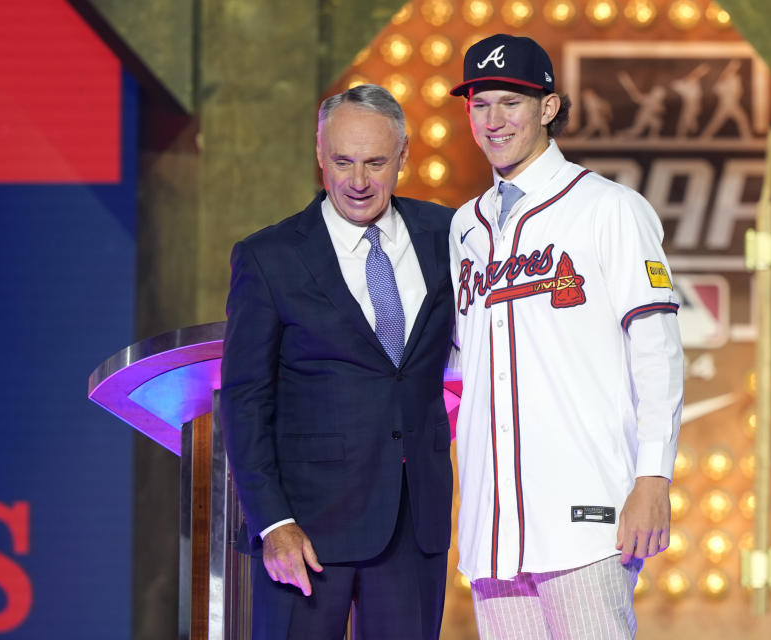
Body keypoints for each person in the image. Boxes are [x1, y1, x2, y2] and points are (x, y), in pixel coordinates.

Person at [449, 34, 684, 639]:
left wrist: (654, 477)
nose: (493, 120)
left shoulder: (609, 208)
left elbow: (656, 350)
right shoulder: (464, 228)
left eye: (510, 102)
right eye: (480, 104)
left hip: (588, 517)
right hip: (492, 528)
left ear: (548, 108)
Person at [220, 84, 455, 640]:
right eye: (343, 161)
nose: (357, 181)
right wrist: (272, 522)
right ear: (320, 154)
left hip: (413, 523)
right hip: (305, 532)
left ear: (405, 156)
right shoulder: (270, 256)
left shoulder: (450, 235)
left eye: (375, 162)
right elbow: (246, 398)